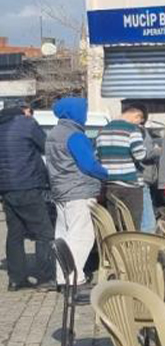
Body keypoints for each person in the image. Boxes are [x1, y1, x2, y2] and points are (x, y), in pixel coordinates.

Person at [45, 97, 106, 286]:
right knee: (81, 236)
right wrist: (104, 173)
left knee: (63, 235)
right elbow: (88, 165)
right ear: (75, 112)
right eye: (84, 111)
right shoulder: (75, 135)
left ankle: (61, 276)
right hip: (79, 191)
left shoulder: (54, 133)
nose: (85, 115)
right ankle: (74, 278)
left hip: (61, 190)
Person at [0, 101, 54, 290]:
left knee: (15, 234)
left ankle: (16, 279)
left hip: (6, 189)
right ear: (23, 111)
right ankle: (46, 278)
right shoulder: (27, 124)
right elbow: (45, 146)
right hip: (28, 184)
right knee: (44, 233)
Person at [96, 104, 154, 230]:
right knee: (132, 226)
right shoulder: (132, 130)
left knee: (116, 225)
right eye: (140, 121)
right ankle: (132, 249)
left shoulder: (102, 131)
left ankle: (117, 249)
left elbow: (97, 156)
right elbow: (140, 155)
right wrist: (154, 151)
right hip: (130, 185)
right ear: (137, 116)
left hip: (110, 185)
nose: (140, 124)